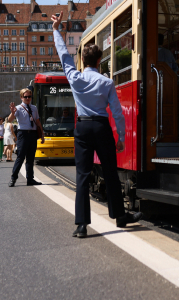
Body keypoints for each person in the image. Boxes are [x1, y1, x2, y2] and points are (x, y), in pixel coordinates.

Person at [51, 13, 142, 238]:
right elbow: (118, 113)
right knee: (110, 172)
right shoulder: (107, 82)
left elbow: (63, 54)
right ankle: (120, 216)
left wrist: (56, 29)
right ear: (100, 61)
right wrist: (120, 136)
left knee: (82, 175)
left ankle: (81, 225)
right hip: (101, 127)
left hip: (82, 128)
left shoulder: (75, 77)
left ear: (82, 60)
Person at [7, 90, 44, 187]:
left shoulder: (34, 108)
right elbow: (9, 120)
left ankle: (30, 179)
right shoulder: (18, 108)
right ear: (21, 97)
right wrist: (12, 112)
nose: (28, 98)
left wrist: (42, 135)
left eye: (29, 96)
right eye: (26, 97)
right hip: (23, 134)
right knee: (20, 157)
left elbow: (38, 121)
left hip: (33, 134)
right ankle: (13, 178)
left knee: (31, 158)